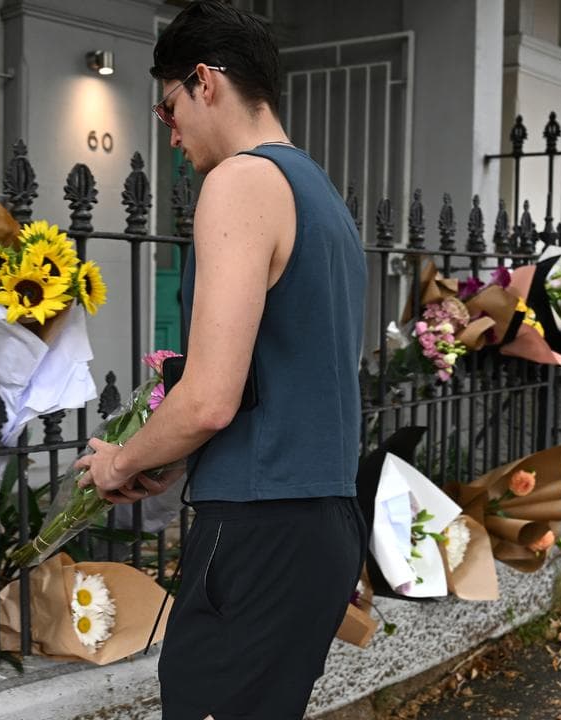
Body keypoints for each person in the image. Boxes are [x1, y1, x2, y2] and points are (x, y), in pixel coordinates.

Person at [73, 2, 368, 718]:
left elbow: (210, 397)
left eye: (168, 107)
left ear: (205, 81)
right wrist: (167, 455)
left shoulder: (240, 181)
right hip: (319, 524)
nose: (170, 134)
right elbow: (282, 379)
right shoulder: (321, 196)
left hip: (259, 531)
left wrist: (119, 460)